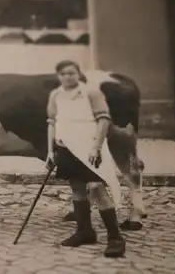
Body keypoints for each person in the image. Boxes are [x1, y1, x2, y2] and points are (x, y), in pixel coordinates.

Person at [46, 59, 126, 258]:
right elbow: (52, 123)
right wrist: (50, 150)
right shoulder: (56, 95)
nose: (67, 77)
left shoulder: (91, 92)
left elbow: (104, 120)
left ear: (78, 74)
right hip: (66, 148)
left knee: (97, 188)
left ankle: (115, 238)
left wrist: (96, 147)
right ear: (59, 76)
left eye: (71, 73)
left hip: (89, 147)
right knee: (77, 188)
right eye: (63, 73)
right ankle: (85, 232)